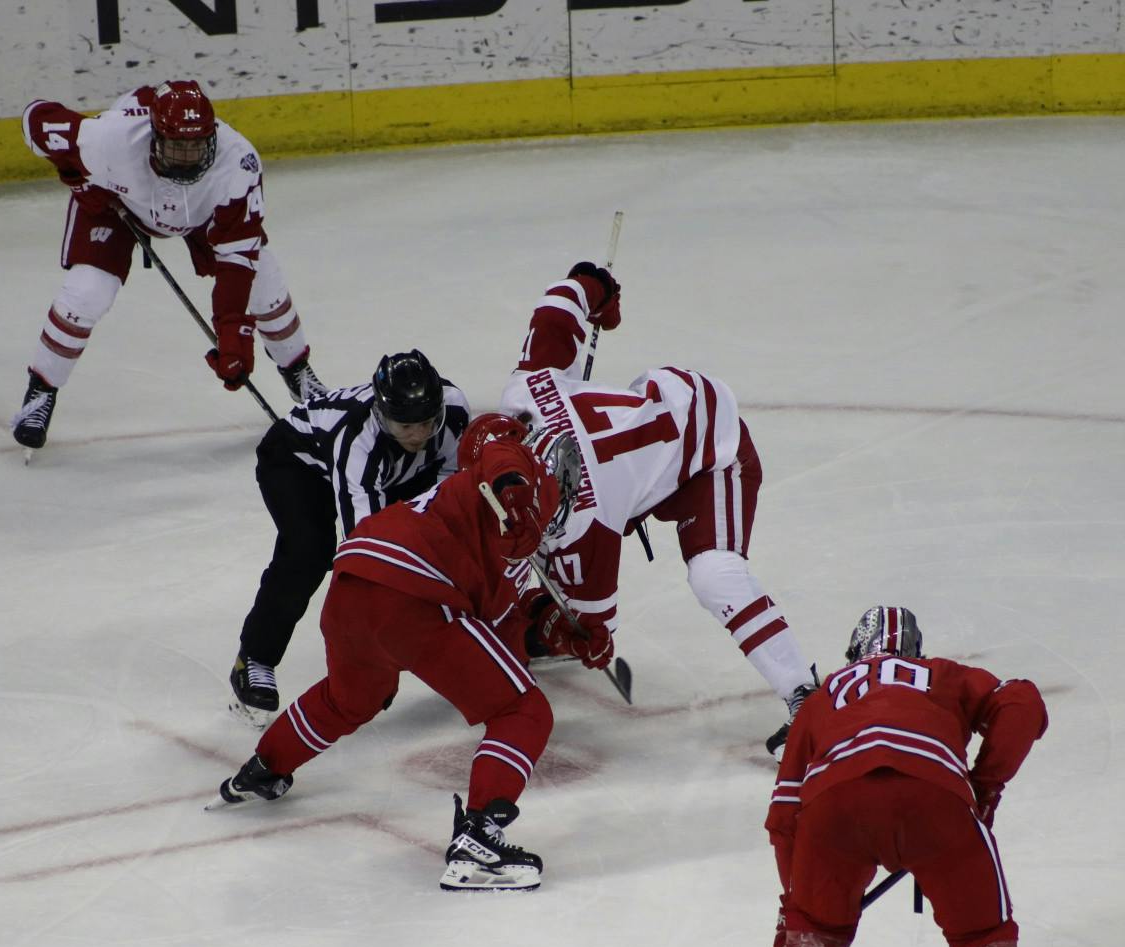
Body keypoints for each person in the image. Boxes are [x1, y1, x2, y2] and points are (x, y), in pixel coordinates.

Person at [211, 415, 570, 892]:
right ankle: (479, 838)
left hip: (353, 587)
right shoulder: (508, 474)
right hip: (411, 592)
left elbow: (500, 630)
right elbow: (503, 455)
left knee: (351, 698)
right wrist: (516, 489)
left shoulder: (476, 517)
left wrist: (553, 626)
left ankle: (264, 768)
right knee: (523, 709)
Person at [761, 605, 1055, 947]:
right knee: (982, 940)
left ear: (854, 653)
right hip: (934, 796)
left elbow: (783, 816)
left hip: (834, 805)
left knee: (818, 939)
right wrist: (985, 787)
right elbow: (1024, 703)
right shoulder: (944, 675)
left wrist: (794, 911)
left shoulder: (822, 698)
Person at [494, 263, 817, 750]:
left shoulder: (587, 521)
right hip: (660, 418)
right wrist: (594, 286)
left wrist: (560, 629)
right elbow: (556, 313)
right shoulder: (525, 395)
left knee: (715, 575)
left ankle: (805, 695)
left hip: (711, 449)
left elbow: (593, 631)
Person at [10, 79, 327, 452]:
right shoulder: (109, 139)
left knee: (265, 281)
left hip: (202, 215)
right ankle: (41, 391)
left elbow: (237, 260)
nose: (188, 157)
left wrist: (232, 336)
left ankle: (298, 371)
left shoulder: (237, 162)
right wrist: (78, 175)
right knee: (88, 292)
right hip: (121, 206)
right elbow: (35, 119)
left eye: (197, 146)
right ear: (154, 137)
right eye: (177, 147)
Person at [228, 349, 472, 726]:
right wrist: (374, 664)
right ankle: (255, 657)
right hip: (298, 464)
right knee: (310, 551)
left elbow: (451, 495)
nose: (419, 434)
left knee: (451, 529)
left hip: (392, 472)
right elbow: (367, 551)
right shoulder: (360, 442)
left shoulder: (454, 411)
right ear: (382, 416)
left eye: (427, 422)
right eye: (405, 426)